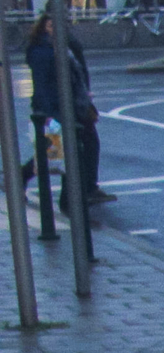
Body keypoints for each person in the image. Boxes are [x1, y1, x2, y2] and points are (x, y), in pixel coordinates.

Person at [22, 13, 108, 208]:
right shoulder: (42, 51)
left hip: (75, 104)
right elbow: (43, 85)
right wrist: (48, 113)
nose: (56, 29)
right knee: (60, 151)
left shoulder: (65, 46)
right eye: (51, 25)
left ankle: (84, 191)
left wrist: (84, 95)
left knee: (83, 145)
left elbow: (75, 74)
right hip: (56, 107)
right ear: (43, 27)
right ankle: (69, 199)